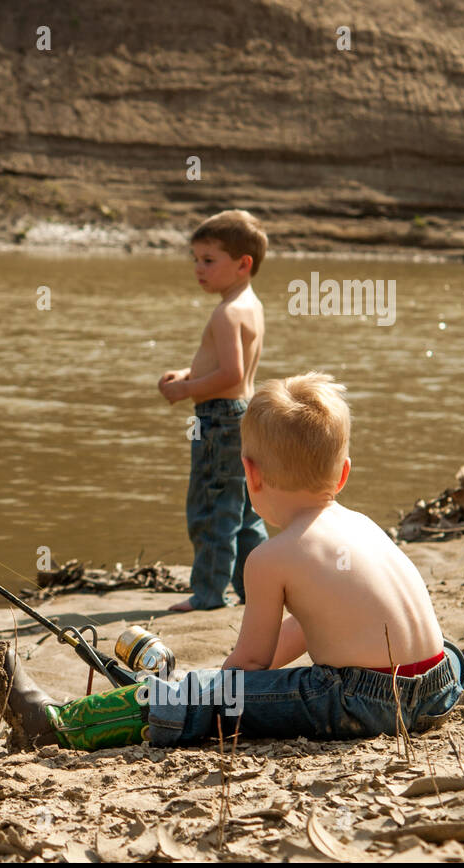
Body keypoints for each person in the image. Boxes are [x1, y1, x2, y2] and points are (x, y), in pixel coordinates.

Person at [0, 372, 464, 750]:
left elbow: (251, 661)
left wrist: (206, 692)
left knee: (196, 697)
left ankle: (57, 724)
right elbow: (315, 626)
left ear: (249, 473)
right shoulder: (362, 525)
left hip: (364, 703)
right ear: (342, 473)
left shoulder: (270, 557)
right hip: (440, 681)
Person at [158, 210, 269, 612]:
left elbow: (230, 374)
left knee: (210, 508)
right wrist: (188, 372)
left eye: (208, 260)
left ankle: (207, 593)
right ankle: (254, 589)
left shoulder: (225, 313)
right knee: (242, 511)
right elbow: (230, 369)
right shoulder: (249, 305)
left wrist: (184, 390)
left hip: (219, 418)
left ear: (243, 264)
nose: (198, 269)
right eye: (195, 259)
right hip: (242, 415)